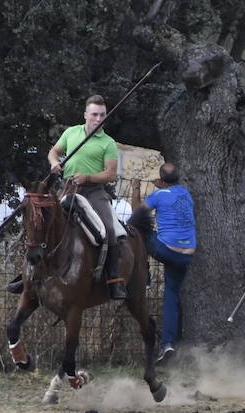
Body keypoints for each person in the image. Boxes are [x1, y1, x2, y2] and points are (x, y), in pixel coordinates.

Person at [48, 95, 126, 298]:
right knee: (42, 222)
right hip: (66, 189)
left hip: (93, 192)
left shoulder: (108, 143)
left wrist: (88, 176)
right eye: (94, 114)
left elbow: (110, 174)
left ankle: (114, 278)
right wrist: (54, 163)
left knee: (109, 229)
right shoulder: (71, 133)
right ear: (85, 115)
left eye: (102, 115)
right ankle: (29, 275)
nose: (98, 118)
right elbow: (54, 152)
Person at [131, 162, 195, 365]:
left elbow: (136, 213)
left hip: (166, 249)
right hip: (187, 253)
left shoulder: (158, 196)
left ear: (160, 180)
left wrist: (135, 188)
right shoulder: (185, 193)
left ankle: (144, 272)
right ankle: (168, 344)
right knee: (171, 297)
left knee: (140, 227)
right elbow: (171, 193)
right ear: (178, 178)